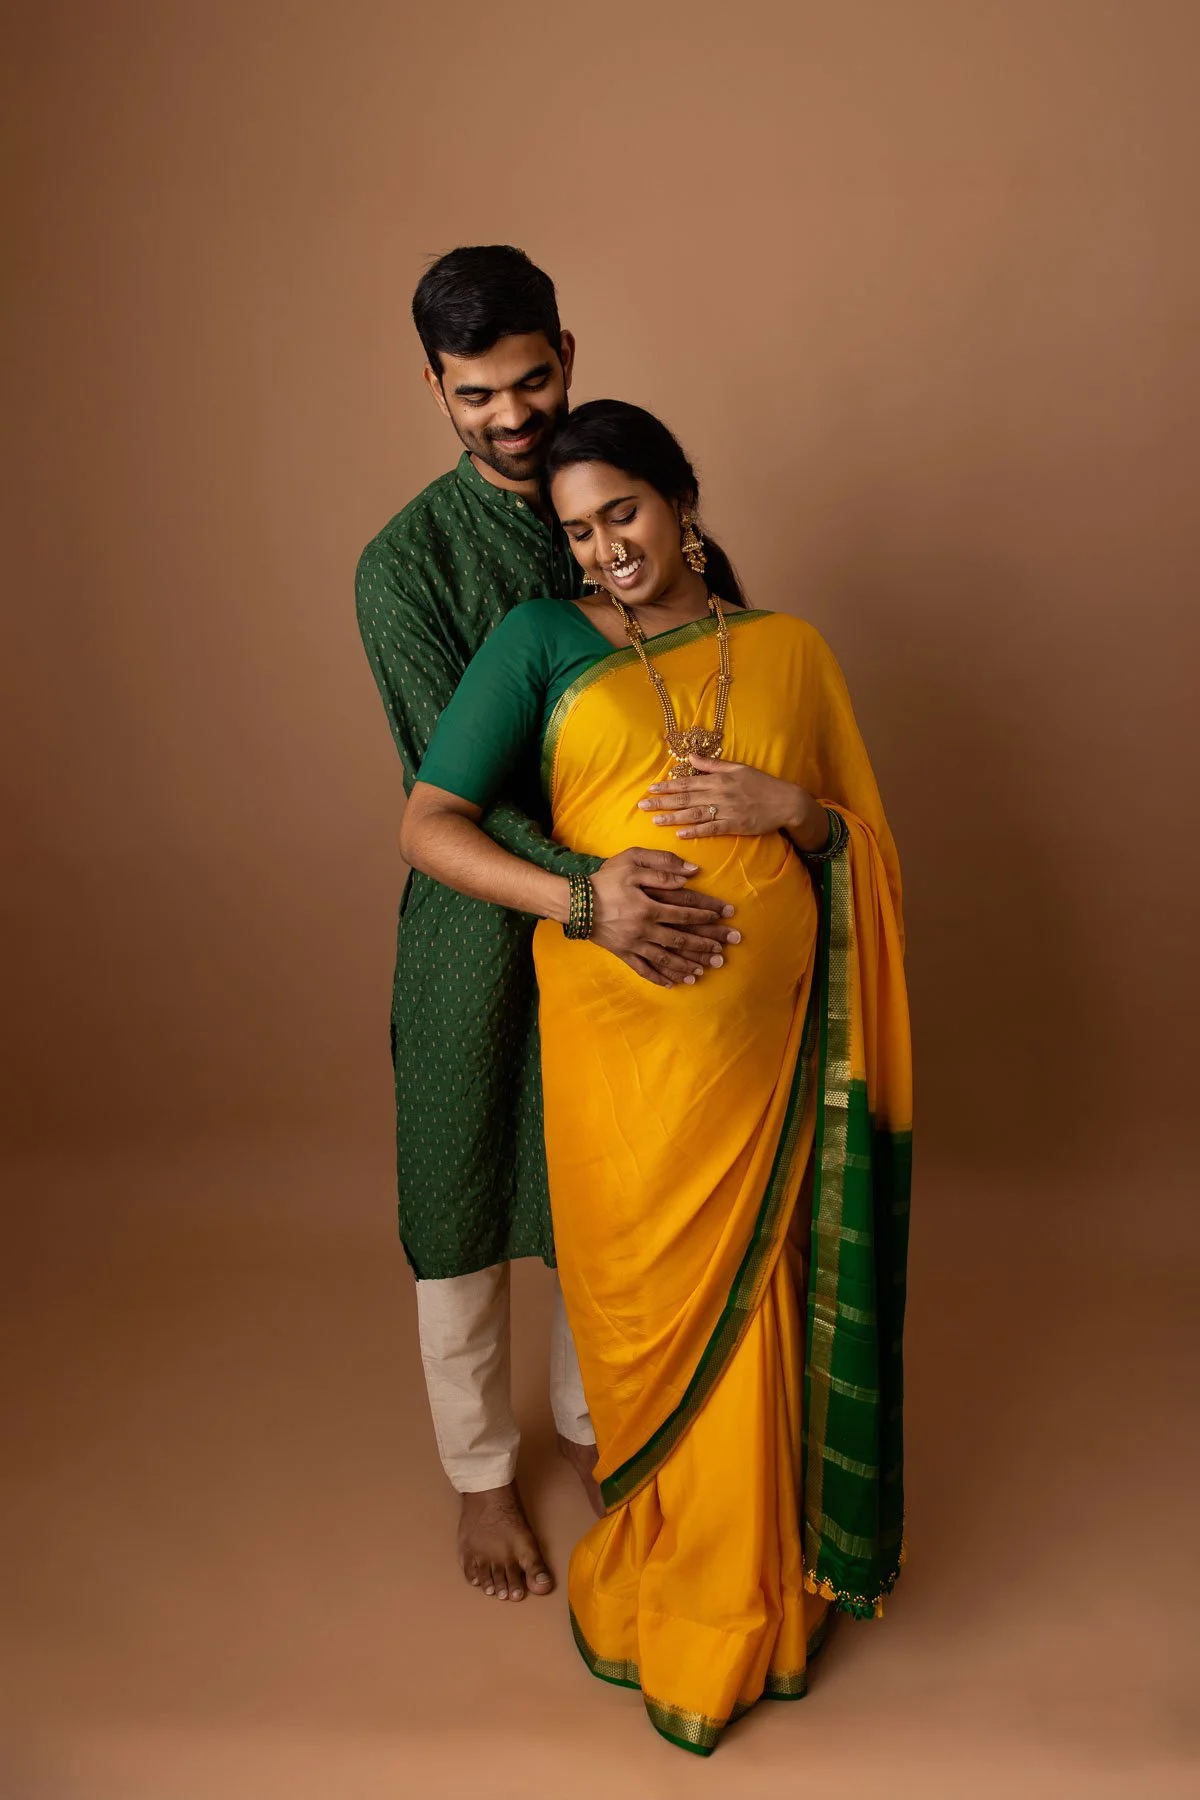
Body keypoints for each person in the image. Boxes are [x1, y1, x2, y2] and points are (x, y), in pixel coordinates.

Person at [400, 400, 912, 1755]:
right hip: (623, 1071)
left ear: (680, 496)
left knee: (760, 1317)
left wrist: (790, 813)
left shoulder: (791, 650)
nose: (607, 549)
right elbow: (429, 823)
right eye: (578, 532)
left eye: (624, 512)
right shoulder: (538, 644)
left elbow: (866, 843)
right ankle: (676, 1564)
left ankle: (748, 1591)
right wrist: (580, 904)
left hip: (766, 1069)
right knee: (640, 1319)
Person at [355, 251, 739, 1606]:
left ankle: (594, 1429)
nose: (510, 416)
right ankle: (479, 1475)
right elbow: (448, 798)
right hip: (480, 929)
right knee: (460, 1199)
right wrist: (591, 892)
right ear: (435, 389)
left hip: (637, 928)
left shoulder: (633, 509)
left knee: (602, 1191)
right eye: (476, 395)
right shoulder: (404, 565)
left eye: (530, 380)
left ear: (567, 354)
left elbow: (722, 688)